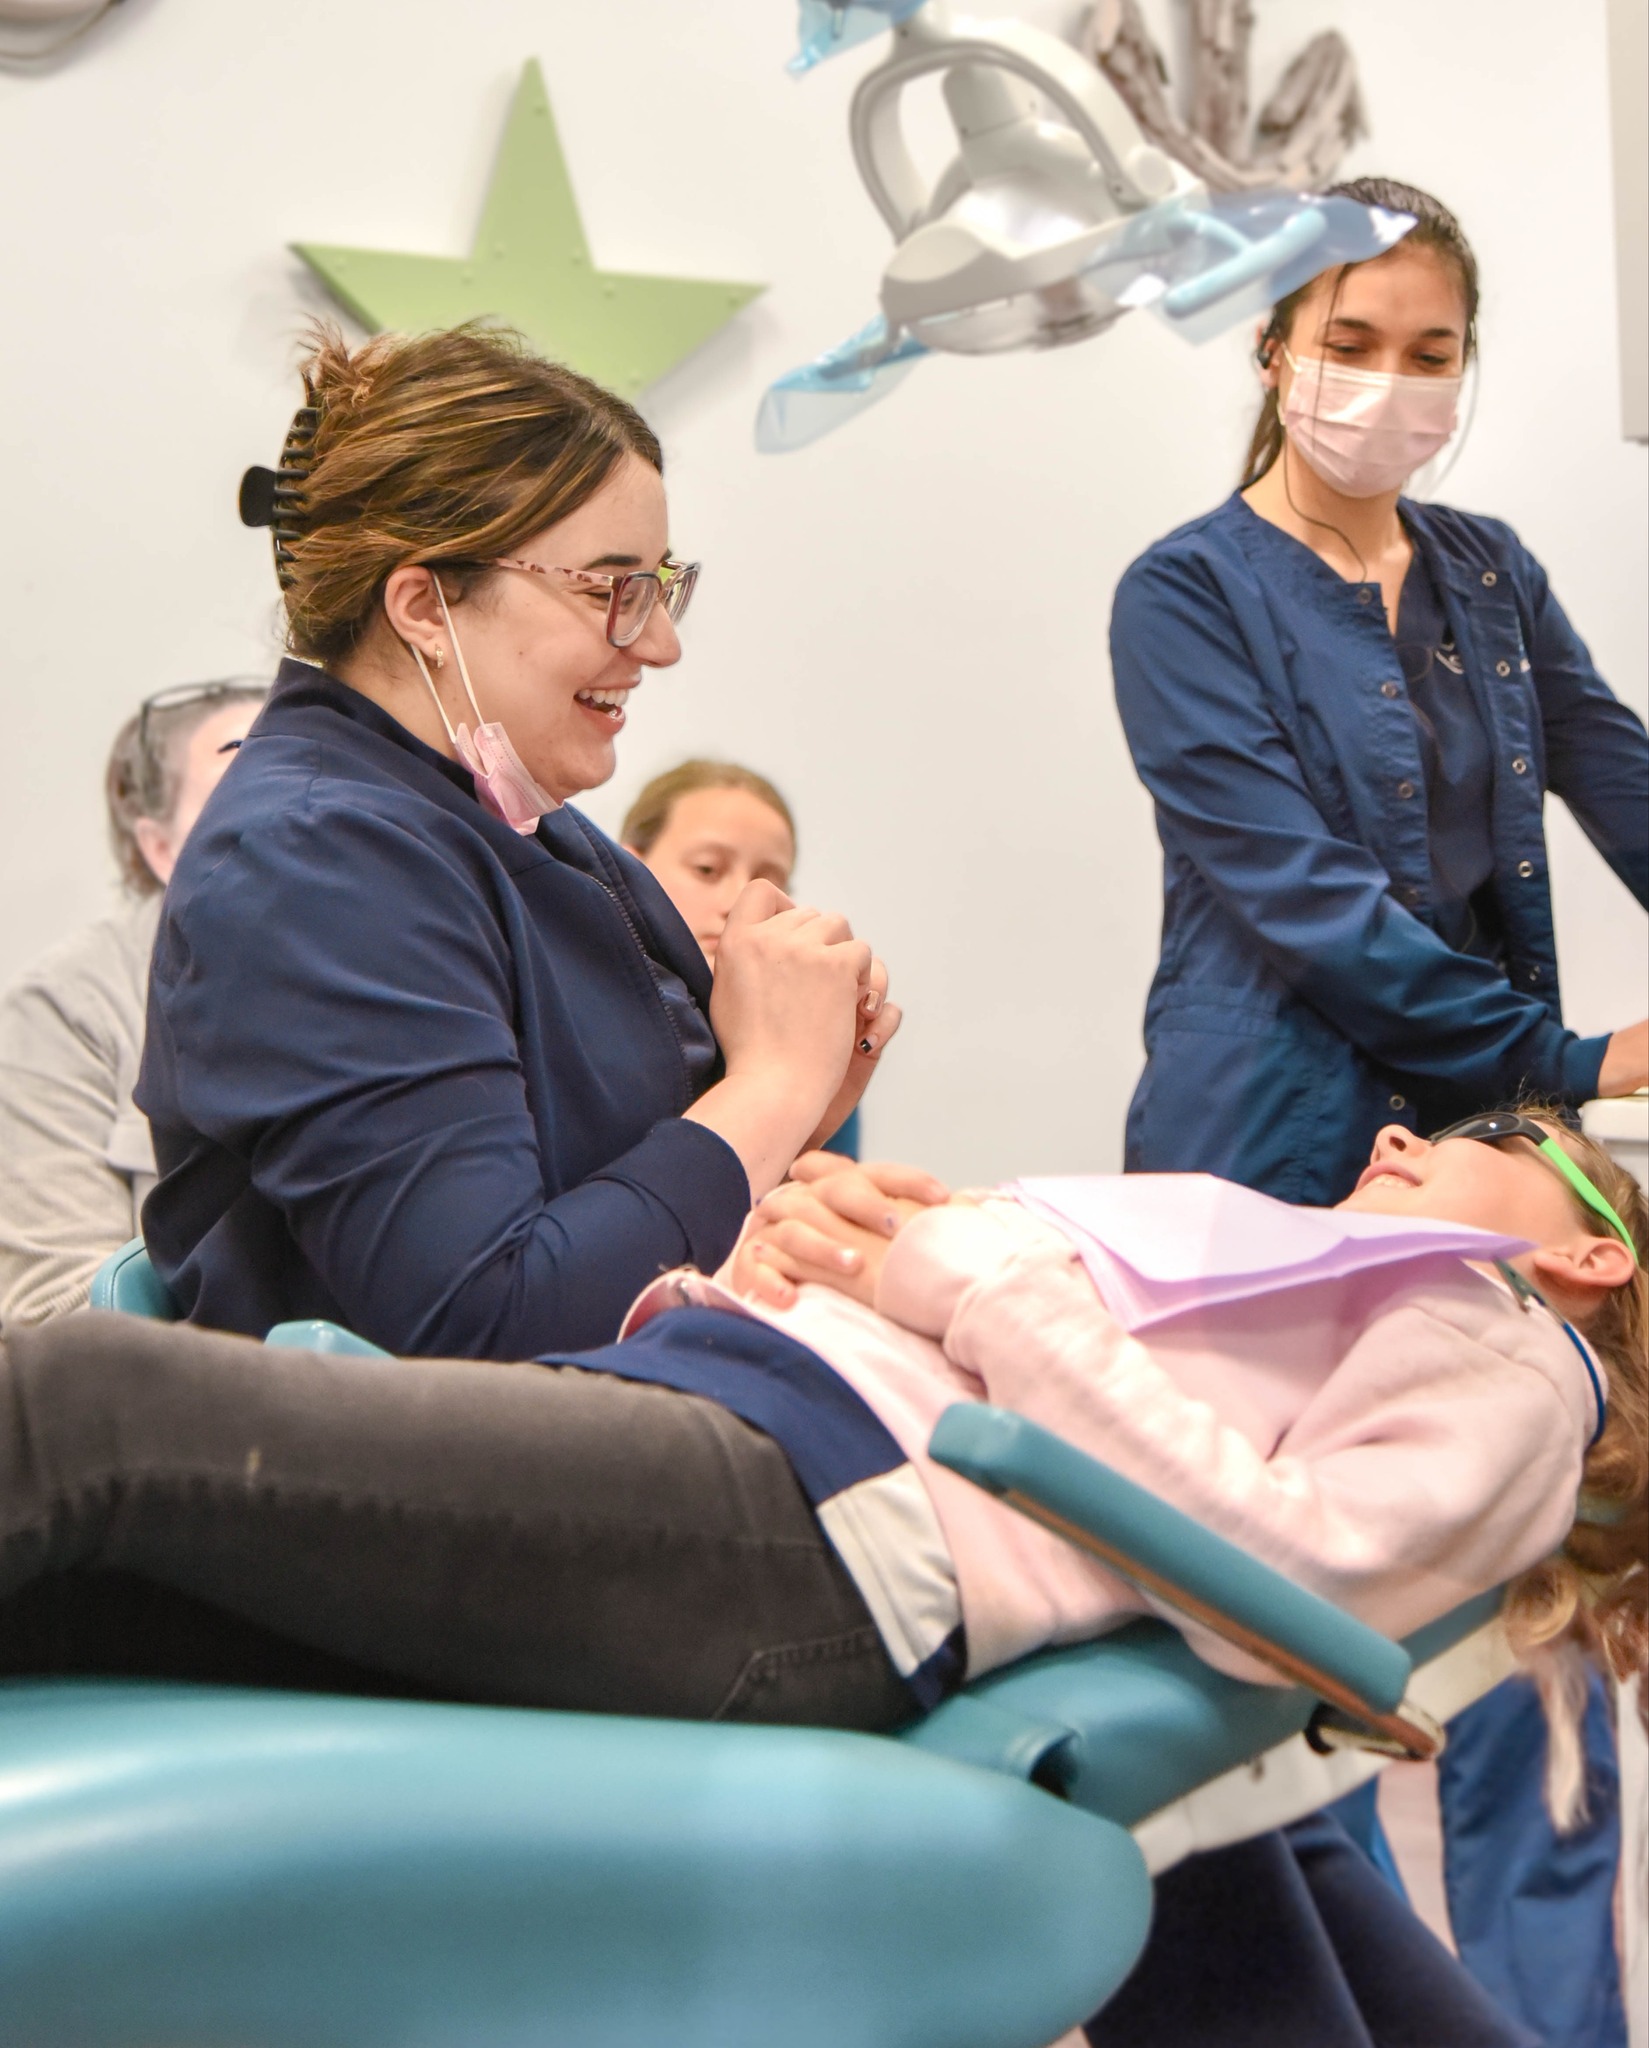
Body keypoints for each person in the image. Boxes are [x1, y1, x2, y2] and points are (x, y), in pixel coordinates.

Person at [2, 1113, 1643, 2046]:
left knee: (82, 1411)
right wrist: (764, 1283)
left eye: (1491, 1136)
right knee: (103, 1589)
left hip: (815, 1520)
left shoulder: (1512, 1347)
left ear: (1587, 1249)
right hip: (737, 1439)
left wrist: (976, 1282)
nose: (1394, 1129)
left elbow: (1297, 1563)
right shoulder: (1303, 1285)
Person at [1108, 174, 1649, 2045]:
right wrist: (1573, 1064)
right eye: (1348, 345)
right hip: (1266, 1150)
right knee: (1274, 1662)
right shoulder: (1181, 593)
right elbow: (1297, 900)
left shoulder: (1487, 573)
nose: (1387, 386)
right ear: (1272, 349)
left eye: (1429, 353)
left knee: (1521, 1654)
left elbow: (1618, 776)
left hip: (1487, 1173)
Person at [136, 325, 898, 1357]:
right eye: (611, 587)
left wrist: (798, 1105)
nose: (659, 642)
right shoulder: (314, 861)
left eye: (661, 585)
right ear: (422, 604)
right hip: (424, 1485)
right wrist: (764, 1092)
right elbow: (485, 1316)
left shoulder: (513, 826)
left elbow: (608, 1182)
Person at [0, 680, 265, 1330]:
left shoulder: (401, 963)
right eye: (246, 787)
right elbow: (50, 1307)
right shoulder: (66, 1009)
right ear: (161, 848)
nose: (295, 814)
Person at [621, 758, 860, 1158]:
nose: (739, 902)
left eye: (768, 883)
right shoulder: (566, 1004)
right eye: (707, 869)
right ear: (629, 867)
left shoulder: (808, 1043)